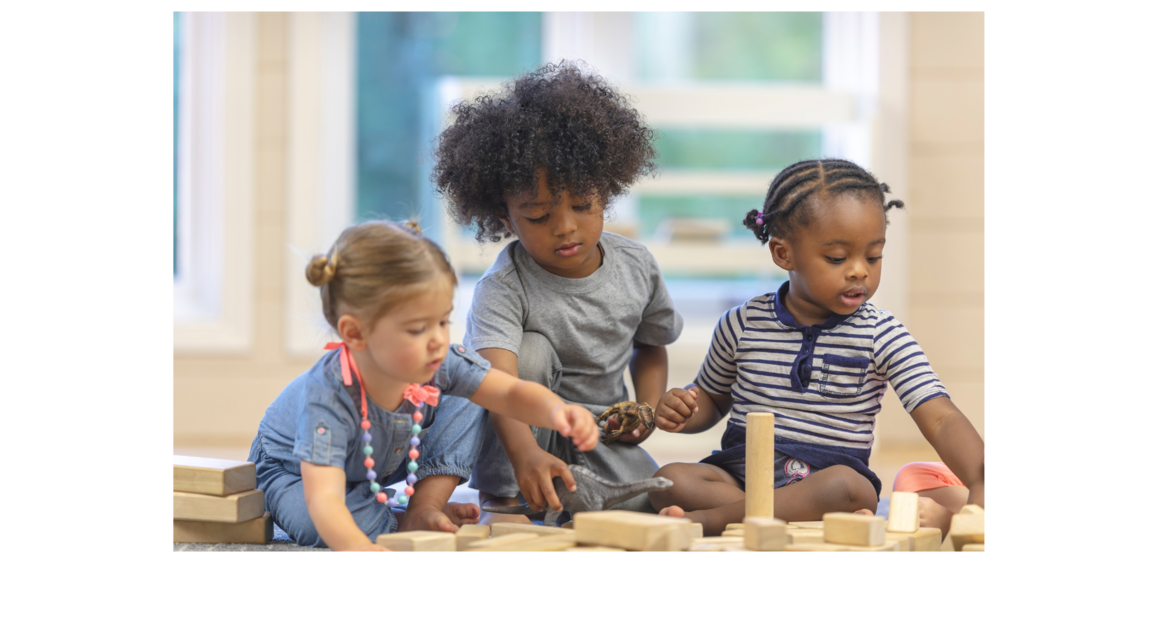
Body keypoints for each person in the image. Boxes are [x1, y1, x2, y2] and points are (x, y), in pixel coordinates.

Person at [650, 159, 986, 535]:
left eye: (873, 256)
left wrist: (980, 480)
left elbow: (940, 417)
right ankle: (772, 516)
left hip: (826, 482)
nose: (860, 270)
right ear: (783, 254)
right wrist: (684, 408)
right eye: (837, 258)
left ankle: (716, 520)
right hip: (740, 476)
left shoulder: (882, 333)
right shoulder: (741, 323)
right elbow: (712, 400)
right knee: (668, 480)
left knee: (849, 487)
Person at [248, 220, 598, 551]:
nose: (437, 340)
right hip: (294, 469)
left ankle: (424, 507)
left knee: (473, 394)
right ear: (355, 333)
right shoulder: (328, 395)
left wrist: (557, 410)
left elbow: (507, 391)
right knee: (321, 523)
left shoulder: (438, 358)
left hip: (384, 454)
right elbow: (322, 498)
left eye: (443, 321)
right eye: (418, 329)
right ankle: (398, 520)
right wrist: (356, 545)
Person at [432, 61, 682, 520]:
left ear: (606, 192)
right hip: (520, 438)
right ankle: (509, 496)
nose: (565, 228)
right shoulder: (504, 287)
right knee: (528, 351)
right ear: (506, 219)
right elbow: (498, 386)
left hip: (601, 434)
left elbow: (651, 347)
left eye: (582, 205)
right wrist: (525, 455)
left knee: (664, 500)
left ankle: (570, 498)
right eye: (539, 216)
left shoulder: (637, 266)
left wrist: (644, 409)